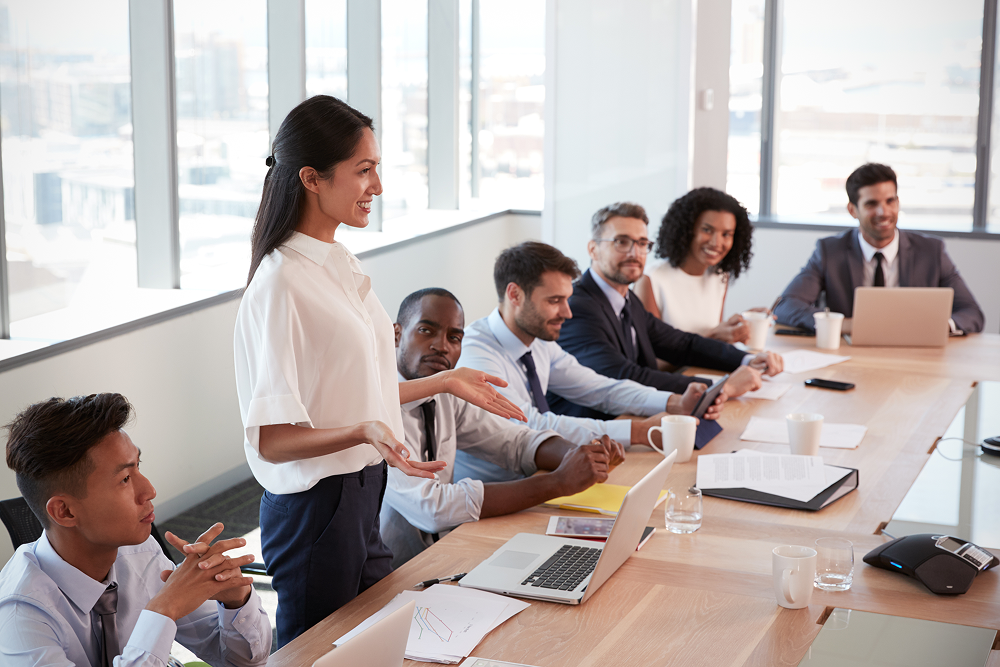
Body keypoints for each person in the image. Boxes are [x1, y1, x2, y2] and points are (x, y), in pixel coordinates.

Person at [233, 95, 525, 647]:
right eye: (364, 171)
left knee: (378, 642)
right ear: (312, 179)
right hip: (317, 505)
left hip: (363, 488)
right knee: (317, 652)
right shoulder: (280, 285)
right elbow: (271, 439)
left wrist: (442, 381)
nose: (378, 187)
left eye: (377, 169)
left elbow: (360, 390)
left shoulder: (339, 263)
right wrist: (364, 430)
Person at [0, 393, 271, 667]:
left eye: (138, 466)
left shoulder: (139, 552)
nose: (150, 491)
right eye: (125, 479)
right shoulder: (19, 615)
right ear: (65, 511)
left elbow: (242, 661)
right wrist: (164, 609)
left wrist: (235, 601)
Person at [380, 288, 625, 566]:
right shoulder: (378, 407)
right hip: (394, 571)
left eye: (454, 337)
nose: (442, 346)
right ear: (396, 334)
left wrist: (580, 456)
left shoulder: (447, 392)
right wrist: (557, 482)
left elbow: (514, 441)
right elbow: (432, 507)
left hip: (449, 552)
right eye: (426, 330)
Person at [456, 241, 720, 484]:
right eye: (554, 301)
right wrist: (637, 431)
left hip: (541, 479)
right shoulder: (476, 356)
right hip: (494, 499)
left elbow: (599, 388)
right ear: (514, 295)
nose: (567, 312)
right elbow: (532, 426)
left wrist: (672, 402)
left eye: (567, 299)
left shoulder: (538, 340)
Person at [556, 202, 782, 409]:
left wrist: (746, 359)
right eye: (621, 242)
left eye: (642, 243)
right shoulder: (578, 308)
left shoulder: (626, 299)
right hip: (595, 432)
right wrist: (721, 386)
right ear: (593, 249)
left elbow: (683, 344)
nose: (635, 253)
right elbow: (624, 375)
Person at [774, 163, 985, 334]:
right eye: (871, 204)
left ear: (898, 202)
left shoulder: (931, 251)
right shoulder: (830, 251)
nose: (883, 212)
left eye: (890, 201)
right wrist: (845, 325)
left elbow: (971, 312)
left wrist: (942, 327)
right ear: (852, 210)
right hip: (852, 356)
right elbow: (786, 306)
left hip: (916, 356)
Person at [634, 187, 765, 343]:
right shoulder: (651, 279)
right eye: (707, 230)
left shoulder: (719, 276)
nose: (717, 243)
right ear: (687, 230)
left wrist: (738, 325)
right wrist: (711, 337)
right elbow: (651, 358)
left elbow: (713, 342)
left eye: (726, 234)